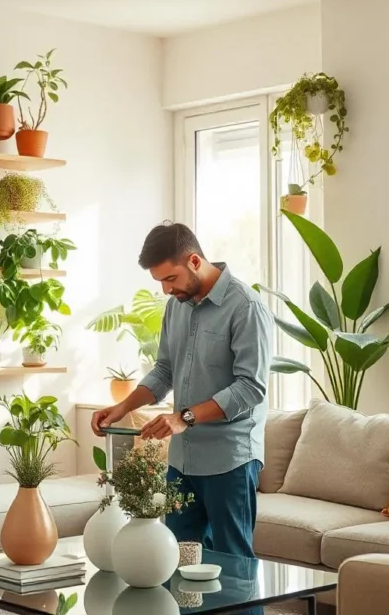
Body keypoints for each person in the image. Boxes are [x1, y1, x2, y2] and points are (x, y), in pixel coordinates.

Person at [91, 222, 273, 558]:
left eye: (170, 279)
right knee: (178, 563)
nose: (165, 290)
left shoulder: (246, 307)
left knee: (235, 569)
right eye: (159, 281)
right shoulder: (176, 306)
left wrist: (184, 418)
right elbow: (164, 370)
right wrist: (122, 408)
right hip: (183, 462)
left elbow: (251, 388)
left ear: (193, 261)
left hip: (229, 461)